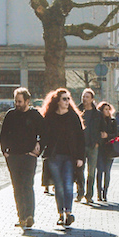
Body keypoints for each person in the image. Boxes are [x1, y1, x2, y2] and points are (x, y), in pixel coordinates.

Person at [40, 88, 85, 228]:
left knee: (68, 185)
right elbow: (44, 136)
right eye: (64, 99)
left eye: (68, 99)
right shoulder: (50, 117)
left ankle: (68, 212)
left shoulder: (73, 117)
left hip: (69, 157)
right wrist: (39, 149)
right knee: (58, 186)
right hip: (54, 157)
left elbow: (80, 138)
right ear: (58, 101)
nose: (67, 101)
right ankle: (60, 214)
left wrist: (80, 157)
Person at [0, 88, 43, 229]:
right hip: (13, 157)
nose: (17, 104)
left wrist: (39, 147)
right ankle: (21, 217)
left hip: (29, 156)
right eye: (16, 101)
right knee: (17, 187)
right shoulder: (10, 115)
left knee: (27, 185)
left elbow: (45, 132)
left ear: (27, 101)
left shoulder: (34, 115)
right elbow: (3, 134)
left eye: (20, 101)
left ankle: (29, 216)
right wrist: (4, 151)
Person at [77, 89, 100, 204]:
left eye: (87, 97)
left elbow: (101, 128)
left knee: (91, 171)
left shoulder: (97, 114)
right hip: (80, 145)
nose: (84, 99)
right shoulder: (77, 111)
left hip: (93, 146)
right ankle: (80, 192)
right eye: (83, 97)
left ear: (92, 99)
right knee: (79, 170)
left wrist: (98, 141)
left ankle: (89, 195)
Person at [94, 101, 119, 202]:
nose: (108, 111)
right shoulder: (98, 121)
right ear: (101, 111)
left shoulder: (113, 121)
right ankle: (99, 193)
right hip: (100, 149)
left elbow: (116, 134)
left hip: (110, 149)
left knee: (107, 171)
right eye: (105, 109)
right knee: (100, 170)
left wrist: (107, 135)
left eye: (109, 109)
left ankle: (105, 192)